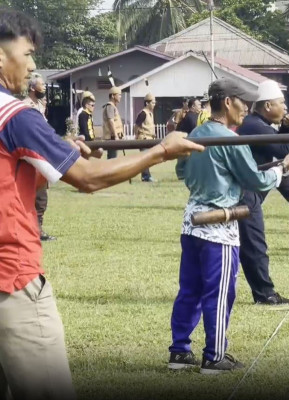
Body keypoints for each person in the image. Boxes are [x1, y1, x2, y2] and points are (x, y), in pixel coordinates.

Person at [0, 9, 205, 400]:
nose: (33, 66)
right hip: (12, 281)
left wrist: (57, 153)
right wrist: (161, 150)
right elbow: (89, 179)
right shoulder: (16, 114)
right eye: (26, 55)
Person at [168, 78, 289, 373]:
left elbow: (182, 171)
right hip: (218, 228)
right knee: (219, 293)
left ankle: (179, 352)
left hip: (191, 224)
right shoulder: (231, 139)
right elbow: (256, 180)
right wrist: (283, 168)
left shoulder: (195, 133)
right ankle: (214, 357)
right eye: (243, 102)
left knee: (189, 289)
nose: (246, 108)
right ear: (228, 102)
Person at [237, 80, 289, 307]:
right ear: (267, 106)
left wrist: (286, 128)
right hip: (246, 190)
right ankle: (265, 295)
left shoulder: (260, 123)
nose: (285, 108)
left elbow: (278, 145)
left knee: (248, 243)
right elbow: (285, 151)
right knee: (254, 244)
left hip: (257, 184)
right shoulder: (253, 125)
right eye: (281, 104)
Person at [24, 74, 56, 241]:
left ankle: (38, 229)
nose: (44, 88)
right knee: (28, 195)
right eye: (41, 85)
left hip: (41, 156)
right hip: (29, 158)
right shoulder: (25, 106)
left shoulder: (40, 106)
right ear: (32, 88)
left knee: (41, 197)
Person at [134, 93, 157, 182]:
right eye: (152, 103)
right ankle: (146, 176)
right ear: (147, 103)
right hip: (143, 138)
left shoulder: (150, 113)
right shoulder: (143, 113)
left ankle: (146, 176)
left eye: (155, 103)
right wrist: (136, 135)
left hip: (149, 138)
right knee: (145, 158)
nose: (154, 105)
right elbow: (137, 125)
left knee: (148, 158)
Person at [102, 86, 124, 159]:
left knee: (113, 158)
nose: (120, 96)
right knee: (112, 158)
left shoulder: (113, 106)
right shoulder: (110, 106)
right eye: (119, 94)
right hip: (112, 137)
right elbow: (111, 121)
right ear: (112, 96)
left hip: (113, 137)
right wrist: (116, 136)